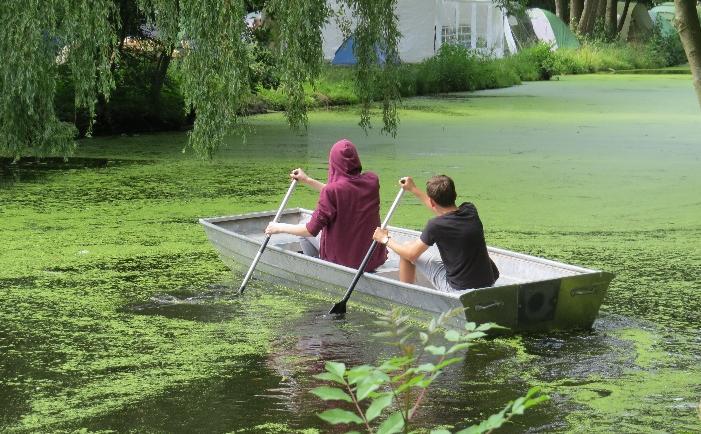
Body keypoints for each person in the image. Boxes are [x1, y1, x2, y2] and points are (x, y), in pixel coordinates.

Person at [265, 139, 387, 272]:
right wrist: (307, 180)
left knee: (303, 232)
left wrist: (279, 227)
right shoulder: (372, 181)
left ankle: (321, 271)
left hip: (344, 262)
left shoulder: (333, 192)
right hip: (370, 259)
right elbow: (342, 192)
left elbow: (310, 230)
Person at [372, 175, 498, 292]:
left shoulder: (436, 225)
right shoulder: (470, 210)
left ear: (432, 202)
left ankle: (406, 296)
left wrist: (385, 239)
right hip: (489, 280)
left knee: (406, 249)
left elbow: (411, 255)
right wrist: (413, 189)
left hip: (458, 289)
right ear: (454, 194)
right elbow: (442, 210)